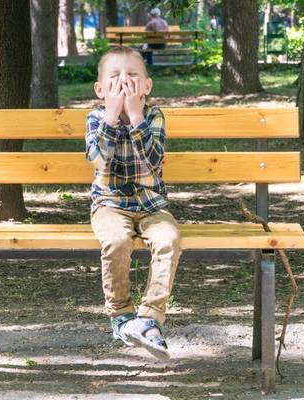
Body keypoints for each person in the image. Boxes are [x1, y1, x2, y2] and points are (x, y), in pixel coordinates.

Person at [85, 45, 182, 360]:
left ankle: (149, 318)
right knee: (115, 240)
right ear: (100, 90)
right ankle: (122, 316)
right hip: (110, 205)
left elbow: (154, 162)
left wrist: (136, 117)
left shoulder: (154, 116)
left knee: (169, 239)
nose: (124, 83)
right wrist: (112, 118)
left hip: (152, 205)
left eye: (132, 75)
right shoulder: (96, 117)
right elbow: (98, 160)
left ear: (147, 86)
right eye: (115, 77)